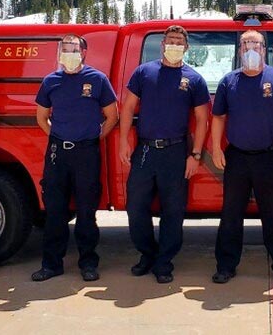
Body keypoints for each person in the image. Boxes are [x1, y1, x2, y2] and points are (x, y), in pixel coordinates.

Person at [210, 30, 273, 285]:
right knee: (231, 214)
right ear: (239, 50)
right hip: (237, 158)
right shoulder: (228, 81)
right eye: (245, 44)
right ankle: (226, 265)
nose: (250, 48)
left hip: (268, 158)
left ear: (264, 49)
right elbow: (217, 116)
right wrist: (216, 148)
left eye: (256, 44)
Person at [118, 25, 210, 284]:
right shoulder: (143, 72)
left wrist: (195, 155)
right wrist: (124, 141)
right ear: (162, 45)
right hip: (145, 150)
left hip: (176, 152)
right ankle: (147, 254)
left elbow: (202, 119)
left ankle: (164, 262)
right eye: (170, 40)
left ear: (186, 47)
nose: (174, 45)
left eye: (179, 41)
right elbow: (127, 109)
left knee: (173, 211)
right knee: (136, 207)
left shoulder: (194, 79)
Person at [31, 34, 118, 282]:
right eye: (64, 49)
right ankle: (51, 265)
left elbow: (112, 116)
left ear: (84, 52)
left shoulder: (97, 79)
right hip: (58, 153)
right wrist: (58, 136)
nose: (68, 53)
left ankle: (88, 263)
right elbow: (41, 117)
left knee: (86, 210)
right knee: (55, 211)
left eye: (73, 49)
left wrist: (91, 138)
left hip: (87, 153)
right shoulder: (50, 81)